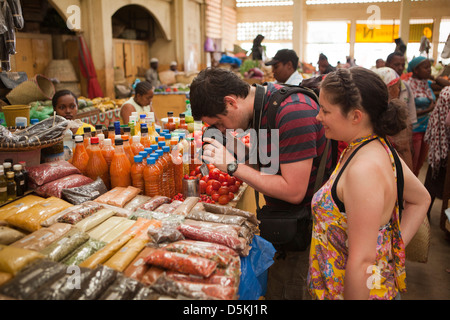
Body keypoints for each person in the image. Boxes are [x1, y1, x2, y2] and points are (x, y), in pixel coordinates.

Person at [190, 67, 330, 300]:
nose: (223, 129)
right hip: (285, 225)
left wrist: (234, 167)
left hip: (305, 232)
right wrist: (231, 145)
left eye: (220, 122)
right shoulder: (264, 106)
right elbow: (269, 162)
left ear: (231, 102)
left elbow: (293, 190)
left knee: (290, 291)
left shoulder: (293, 112)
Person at [308, 67, 431, 300]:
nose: (318, 117)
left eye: (325, 110)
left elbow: (363, 259)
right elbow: (420, 198)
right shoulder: (374, 147)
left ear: (356, 116)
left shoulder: (363, 170)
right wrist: (393, 246)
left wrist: (391, 247)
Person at [373, 67, 414, 171]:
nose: (399, 90)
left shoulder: (369, 111)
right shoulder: (395, 113)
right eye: (397, 86)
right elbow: (404, 149)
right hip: (395, 168)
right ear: (389, 88)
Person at [406, 56, 436, 176]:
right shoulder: (408, 85)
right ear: (416, 70)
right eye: (426, 67)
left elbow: (446, 85)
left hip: (427, 128)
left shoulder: (427, 84)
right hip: (415, 128)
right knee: (412, 163)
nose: (429, 70)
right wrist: (428, 109)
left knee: (420, 163)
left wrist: (433, 77)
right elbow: (407, 112)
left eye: (430, 67)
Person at [424, 85, 450, 222]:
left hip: (442, 143)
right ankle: (425, 213)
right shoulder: (447, 93)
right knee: (433, 180)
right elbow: (446, 121)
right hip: (441, 142)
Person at [385, 52, 418, 129]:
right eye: (396, 65)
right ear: (387, 65)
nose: (400, 68)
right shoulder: (379, 86)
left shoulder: (406, 87)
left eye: (403, 65)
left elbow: (411, 113)